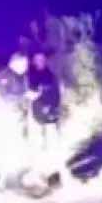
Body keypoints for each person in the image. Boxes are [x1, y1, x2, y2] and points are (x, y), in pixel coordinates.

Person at [0, 52, 32, 187]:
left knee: (18, 147)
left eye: (26, 64)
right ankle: (3, 179)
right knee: (7, 147)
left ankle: (16, 177)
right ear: (14, 63)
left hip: (18, 116)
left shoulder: (22, 77)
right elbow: (5, 97)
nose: (26, 66)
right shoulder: (4, 76)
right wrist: (24, 95)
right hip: (6, 116)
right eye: (23, 64)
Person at [26, 49, 64, 180]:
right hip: (35, 115)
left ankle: (53, 173)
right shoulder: (29, 76)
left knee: (52, 143)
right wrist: (39, 103)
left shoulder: (51, 75)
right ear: (33, 61)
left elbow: (57, 94)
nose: (40, 62)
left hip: (50, 116)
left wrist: (53, 107)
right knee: (37, 143)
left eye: (42, 59)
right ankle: (38, 172)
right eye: (37, 59)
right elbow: (29, 95)